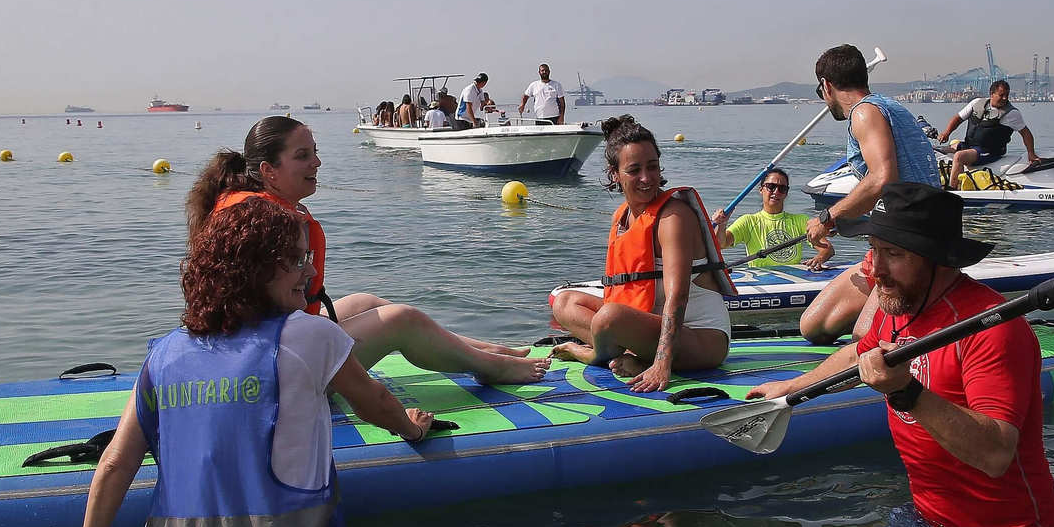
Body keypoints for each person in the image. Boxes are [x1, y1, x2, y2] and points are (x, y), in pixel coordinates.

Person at [39, 199, 436, 527]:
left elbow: (115, 464)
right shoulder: (312, 336)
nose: (311, 271)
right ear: (255, 268)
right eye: (297, 260)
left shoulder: (164, 354)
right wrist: (412, 430)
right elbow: (374, 403)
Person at [747, 183, 1054, 527]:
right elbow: (859, 355)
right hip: (928, 520)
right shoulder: (897, 305)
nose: (876, 269)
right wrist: (793, 386)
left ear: (939, 259)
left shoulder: (993, 330)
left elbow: (996, 455)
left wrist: (907, 392)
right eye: (874, 249)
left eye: (894, 254)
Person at [185, 116, 548, 383]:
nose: (316, 163)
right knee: (402, 319)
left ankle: (482, 350)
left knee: (364, 302)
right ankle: (492, 367)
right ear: (269, 170)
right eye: (302, 156)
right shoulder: (266, 223)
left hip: (262, 349)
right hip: (270, 372)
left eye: (315, 152)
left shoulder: (244, 209)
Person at [549, 116, 735, 392]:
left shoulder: (674, 217)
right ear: (615, 174)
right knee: (564, 301)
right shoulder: (621, 217)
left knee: (610, 317)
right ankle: (625, 353)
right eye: (634, 170)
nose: (646, 178)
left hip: (701, 338)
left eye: (652, 166)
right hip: (647, 328)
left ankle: (592, 354)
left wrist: (662, 363)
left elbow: (677, 297)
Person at [798, 44, 944, 345]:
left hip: (912, 246)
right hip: (889, 239)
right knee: (813, 326)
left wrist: (828, 217)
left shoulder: (864, 113)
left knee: (864, 340)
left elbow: (881, 178)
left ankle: (909, 322)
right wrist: (845, 218)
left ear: (827, 86)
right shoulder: (886, 106)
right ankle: (894, 314)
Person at [709, 167, 833, 270]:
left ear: (786, 193)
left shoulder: (800, 221)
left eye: (782, 188)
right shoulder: (748, 221)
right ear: (761, 190)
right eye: (771, 187)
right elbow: (720, 245)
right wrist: (722, 225)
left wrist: (819, 259)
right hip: (762, 282)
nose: (776, 192)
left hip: (793, 281)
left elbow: (827, 249)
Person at [935, 79, 1040, 189]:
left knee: (959, 156)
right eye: (1001, 95)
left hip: (988, 151)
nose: (1005, 98)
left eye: (1007, 95)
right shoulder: (976, 103)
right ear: (992, 93)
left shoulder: (1011, 114)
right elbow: (958, 118)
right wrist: (946, 133)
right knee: (940, 151)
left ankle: (952, 190)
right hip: (969, 146)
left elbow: (1026, 134)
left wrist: (1031, 154)